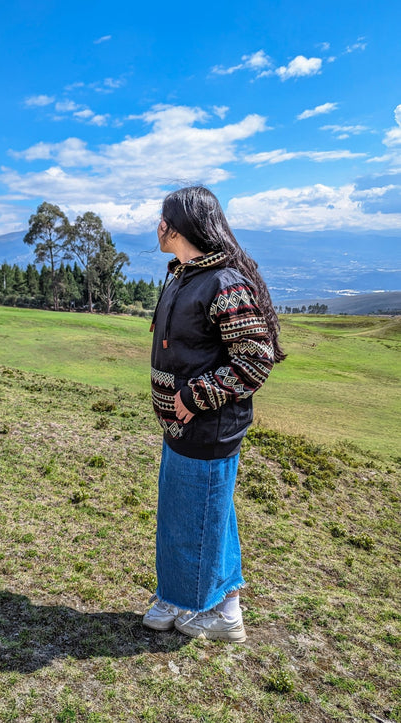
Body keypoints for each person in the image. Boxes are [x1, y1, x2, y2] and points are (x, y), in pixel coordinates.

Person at [143, 186, 285, 642]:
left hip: (207, 426)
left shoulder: (224, 283)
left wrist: (194, 398)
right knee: (202, 513)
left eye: (163, 217)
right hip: (181, 427)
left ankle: (196, 605)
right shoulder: (184, 274)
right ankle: (204, 603)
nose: (158, 225)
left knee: (194, 516)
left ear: (179, 225)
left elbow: (255, 358)